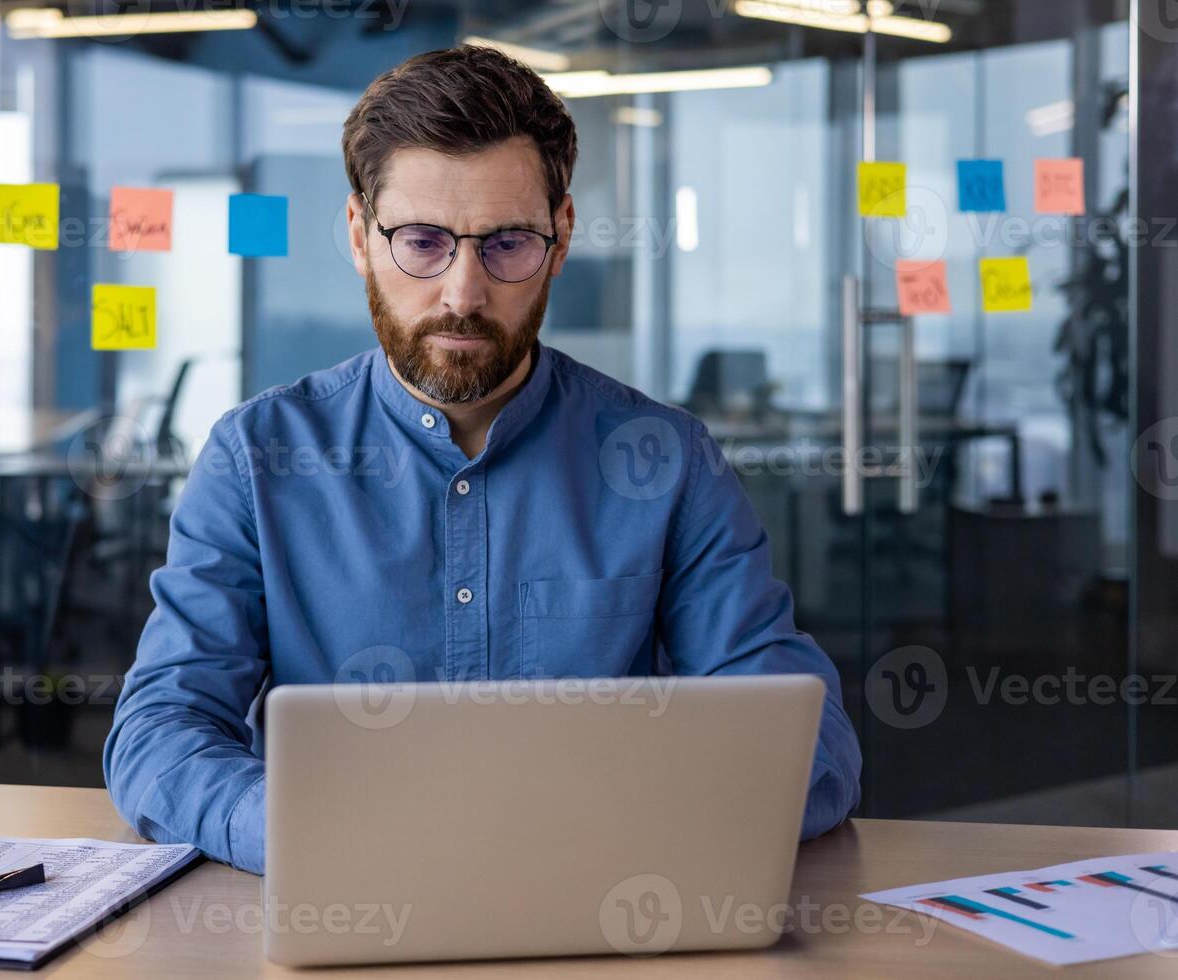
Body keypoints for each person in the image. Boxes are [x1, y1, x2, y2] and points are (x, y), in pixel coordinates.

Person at [104, 45, 861, 874]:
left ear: (561, 235)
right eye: (422, 243)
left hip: (600, 903)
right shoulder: (257, 458)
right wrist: (308, 832)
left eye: (506, 245)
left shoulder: (665, 463)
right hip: (344, 899)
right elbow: (159, 733)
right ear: (359, 236)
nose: (463, 292)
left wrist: (621, 825)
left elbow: (808, 738)